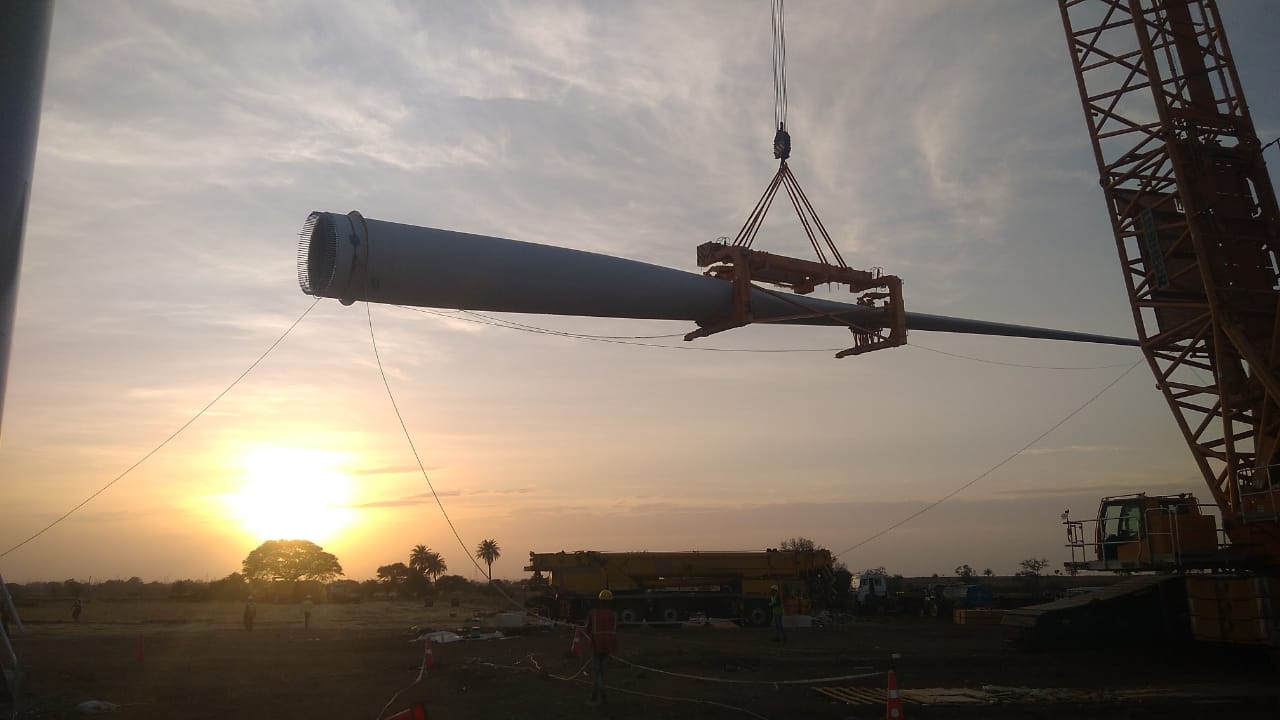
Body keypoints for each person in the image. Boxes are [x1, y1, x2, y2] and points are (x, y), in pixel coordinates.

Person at [583, 589, 618, 707]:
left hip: (596, 645)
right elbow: (614, 630)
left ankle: (602, 690)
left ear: (600, 601)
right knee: (602, 671)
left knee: (596, 671)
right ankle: (594, 695)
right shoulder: (614, 614)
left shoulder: (593, 613)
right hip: (608, 645)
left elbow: (587, 628)